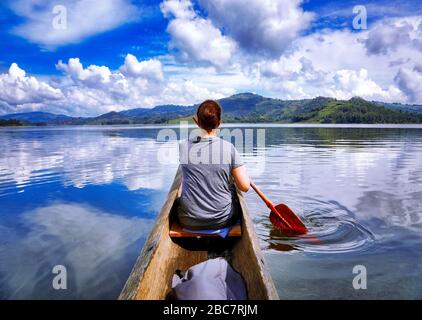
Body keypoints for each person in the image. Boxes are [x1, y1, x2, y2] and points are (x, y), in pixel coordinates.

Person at [178, 99, 250, 230]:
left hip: (188, 220)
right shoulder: (229, 148)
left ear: (196, 121)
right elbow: (245, 187)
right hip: (222, 220)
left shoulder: (183, 146)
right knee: (233, 190)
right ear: (219, 123)